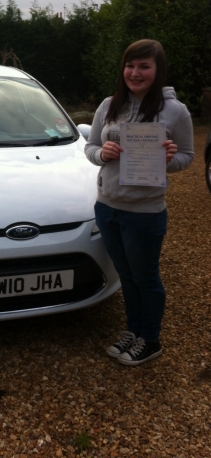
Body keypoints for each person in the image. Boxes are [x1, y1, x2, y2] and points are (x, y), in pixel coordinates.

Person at [85, 39, 194, 366]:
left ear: (157, 71)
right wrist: (101, 154)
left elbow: (187, 156)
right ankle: (134, 330)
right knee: (126, 275)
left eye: (144, 66)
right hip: (107, 208)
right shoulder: (108, 105)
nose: (135, 72)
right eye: (130, 65)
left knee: (146, 278)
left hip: (144, 213)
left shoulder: (175, 111)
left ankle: (151, 339)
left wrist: (169, 160)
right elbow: (90, 147)